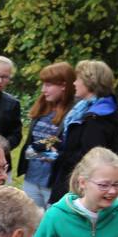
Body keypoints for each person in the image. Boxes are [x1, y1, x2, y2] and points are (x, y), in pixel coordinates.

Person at [48, 58, 118, 196]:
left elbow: (90, 157)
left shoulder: (96, 118)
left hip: (78, 188)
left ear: (90, 82)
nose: (74, 83)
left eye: (78, 79)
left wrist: (58, 156)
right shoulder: (88, 109)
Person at [19, 61, 73, 208]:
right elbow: (29, 150)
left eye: (48, 85)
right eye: (43, 84)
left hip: (53, 183)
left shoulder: (73, 113)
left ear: (63, 85)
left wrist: (39, 152)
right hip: (31, 178)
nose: (43, 90)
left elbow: (66, 150)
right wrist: (39, 152)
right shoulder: (42, 108)